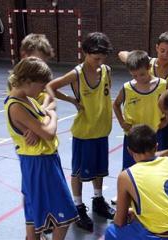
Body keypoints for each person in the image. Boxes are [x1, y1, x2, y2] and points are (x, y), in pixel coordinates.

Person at [46, 32, 115, 232]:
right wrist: (70, 100)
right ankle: (78, 206)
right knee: (78, 172)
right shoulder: (77, 73)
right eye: (96, 58)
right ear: (85, 53)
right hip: (84, 133)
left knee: (100, 170)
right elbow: (51, 86)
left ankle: (98, 199)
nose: (99, 62)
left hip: (102, 130)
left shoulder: (106, 70)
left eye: (102, 58)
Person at [4, 57, 79, 240]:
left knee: (34, 213)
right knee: (65, 215)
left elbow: (45, 118)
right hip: (39, 164)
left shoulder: (27, 98)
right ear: (27, 82)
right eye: (40, 85)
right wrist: (52, 116)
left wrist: (43, 123)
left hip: (43, 161)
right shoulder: (16, 106)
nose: (43, 89)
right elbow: (49, 133)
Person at [105, 124, 168, 240]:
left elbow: (119, 221)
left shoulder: (126, 176)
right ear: (156, 147)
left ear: (129, 151)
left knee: (111, 231)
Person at [118, 32, 168, 150]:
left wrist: (166, 119)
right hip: (140, 118)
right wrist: (133, 60)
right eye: (162, 50)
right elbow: (121, 54)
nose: (165, 55)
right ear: (156, 47)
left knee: (158, 158)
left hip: (159, 123)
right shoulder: (146, 62)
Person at [113, 50, 167, 170]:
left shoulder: (162, 85)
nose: (138, 78)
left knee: (154, 170)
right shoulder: (127, 88)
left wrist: (166, 119)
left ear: (149, 67)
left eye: (142, 74)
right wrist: (122, 122)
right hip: (133, 136)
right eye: (134, 75)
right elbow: (116, 104)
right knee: (131, 170)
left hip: (154, 135)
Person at [7, 33, 56, 110]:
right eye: (37, 60)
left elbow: (52, 99)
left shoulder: (39, 76)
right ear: (24, 55)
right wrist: (45, 111)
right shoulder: (17, 80)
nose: (41, 65)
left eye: (44, 62)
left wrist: (45, 107)